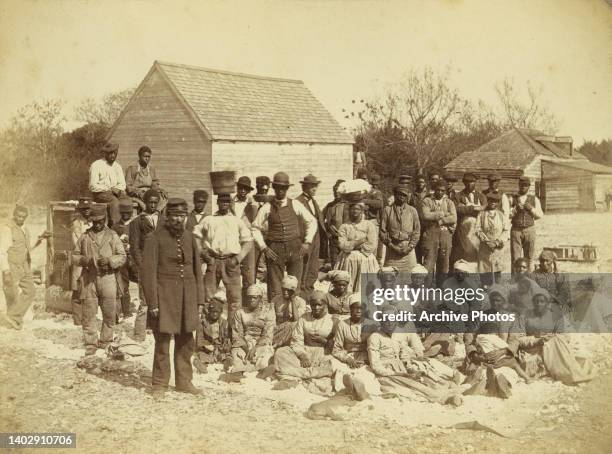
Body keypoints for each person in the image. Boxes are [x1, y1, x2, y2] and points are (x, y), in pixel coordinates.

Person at [141, 198, 205, 398]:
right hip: (165, 297)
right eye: (175, 215)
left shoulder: (190, 238)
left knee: (186, 341)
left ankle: (184, 382)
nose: (178, 219)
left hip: (188, 297)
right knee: (162, 342)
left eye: (182, 216)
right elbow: (147, 273)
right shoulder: (154, 238)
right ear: (167, 217)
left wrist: (200, 300)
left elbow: (197, 271)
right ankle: (159, 384)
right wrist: (153, 302)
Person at [367, 304, 463, 404]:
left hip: (401, 368)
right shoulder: (375, 337)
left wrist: (409, 367)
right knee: (414, 387)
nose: (389, 322)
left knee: (423, 378)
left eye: (392, 319)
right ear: (381, 321)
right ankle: (442, 398)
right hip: (386, 373)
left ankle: (449, 390)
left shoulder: (398, 334)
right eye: (386, 319)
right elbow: (375, 365)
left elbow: (404, 355)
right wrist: (396, 373)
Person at [251, 172, 317, 301]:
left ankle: (295, 314)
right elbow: (254, 228)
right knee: (275, 286)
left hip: (295, 247)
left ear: (287, 189)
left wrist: (307, 242)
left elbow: (312, 221)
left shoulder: (296, 204)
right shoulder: (267, 207)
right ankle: (276, 316)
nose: (280, 191)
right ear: (273, 188)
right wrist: (264, 248)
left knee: (295, 284)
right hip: (275, 249)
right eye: (277, 187)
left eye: (283, 188)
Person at [508, 289, 595, 384]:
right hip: (531, 349)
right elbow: (518, 339)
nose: (539, 304)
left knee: (556, 341)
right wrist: (536, 340)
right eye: (536, 301)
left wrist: (549, 338)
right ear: (532, 302)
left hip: (552, 347)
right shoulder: (524, 316)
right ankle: (565, 372)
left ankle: (569, 373)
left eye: (542, 301)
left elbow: (564, 336)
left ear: (547, 302)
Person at [193, 192, 253, 330]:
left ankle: (233, 331)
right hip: (213, 261)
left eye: (227, 202)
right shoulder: (209, 219)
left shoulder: (236, 221)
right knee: (209, 298)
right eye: (222, 202)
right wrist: (204, 253)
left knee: (235, 299)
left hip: (231, 263)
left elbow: (248, 241)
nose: (224, 204)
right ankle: (208, 331)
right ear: (218, 203)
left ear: (230, 204)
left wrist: (238, 258)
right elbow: (195, 235)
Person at [72, 203, 126, 354]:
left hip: (108, 278)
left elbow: (122, 256)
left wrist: (110, 260)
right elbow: (74, 256)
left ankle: (106, 340)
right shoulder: (85, 236)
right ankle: (90, 343)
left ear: (105, 219)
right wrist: (86, 260)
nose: (98, 224)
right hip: (89, 279)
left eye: (101, 221)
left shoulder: (113, 236)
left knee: (109, 311)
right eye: (95, 221)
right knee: (89, 312)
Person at [273, 291, 338, 395]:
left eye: (319, 305)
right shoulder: (304, 318)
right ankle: (310, 375)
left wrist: (325, 341)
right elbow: (296, 339)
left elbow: (337, 344)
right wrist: (302, 355)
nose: (316, 307)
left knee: (333, 364)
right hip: (304, 351)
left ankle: (295, 376)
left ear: (325, 305)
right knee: (281, 352)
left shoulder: (333, 320)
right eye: (313, 305)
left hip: (323, 353)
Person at [0, 205, 50, 330]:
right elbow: (2, 251)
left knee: (31, 291)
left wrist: (41, 238)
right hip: (12, 265)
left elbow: (28, 247)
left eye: (23, 217)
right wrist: (5, 270)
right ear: (14, 215)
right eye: (18, 216)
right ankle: (13, 320)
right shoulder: (8, 229)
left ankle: (13, 316)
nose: (20, 219)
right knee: (11, 293)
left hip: (25, 265)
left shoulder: (25, 229)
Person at [331, 296, 381, 399]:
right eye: (355, 308)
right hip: (348, 356)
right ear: (350, 309)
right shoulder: (342, 325)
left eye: (361, 308)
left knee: (368, 375)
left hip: (367, 357)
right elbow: (336, 349)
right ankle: (349, 389)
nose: (358, 311)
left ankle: (362, 392)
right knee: (341, 372)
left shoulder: (372, 324)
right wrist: (347, 359)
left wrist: (368, 359)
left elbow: (376, 346)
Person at [129, 189, 162, 340]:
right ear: (145, 203)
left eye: (156, 202)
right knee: (145, 299)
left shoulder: (163, 219)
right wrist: (141, 265)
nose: (153, 205)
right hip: (146, 265)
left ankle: (158, 328)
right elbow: (135, 246)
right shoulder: (137, 222)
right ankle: (139, 334)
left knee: (160, 297)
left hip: (162, 265)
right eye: (151, 202)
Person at [336, 198, 380, 294]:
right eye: (352, 209)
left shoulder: (369, 225)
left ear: (362, 211)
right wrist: (358, 242)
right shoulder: (344, 226)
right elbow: (342, 244)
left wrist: (351, 244)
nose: (354, 211)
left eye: (357, 209)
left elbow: (372, 244)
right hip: (348, 259)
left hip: (365, 259)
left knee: (364, 288)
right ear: (349, 210)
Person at [230, 285, 276, 372]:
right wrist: (247, 349)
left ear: (260, 298)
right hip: (244, 344)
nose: (252, 300)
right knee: (237, 361)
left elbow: (267, 335)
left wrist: (255, 348)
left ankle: (257, 369)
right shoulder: (240, 313)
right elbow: (237, 335)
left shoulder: (268, 313)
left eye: (254, 297)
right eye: (249, 297)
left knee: (263, 362)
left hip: (260, 344)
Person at [421, 180, 457, 287]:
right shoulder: (427, 201)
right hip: (431, 233)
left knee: (444, 263)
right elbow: (426, 215)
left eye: (443, 190)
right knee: (429, 262)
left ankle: (441, 288)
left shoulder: (449, 202)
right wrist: (442, 214)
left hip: (445, 234)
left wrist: (441, 220)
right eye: (438, 190)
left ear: (445, 191)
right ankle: (427, 288)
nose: (440, 192)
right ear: (434, 189)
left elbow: (454, 218)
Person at [296, 174, 326, 296]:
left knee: (313, 267)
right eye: (312, 186)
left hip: (316, 238)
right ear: (305, 187)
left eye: (315, 186)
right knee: (304, 265)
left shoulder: (314, 201)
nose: (314, 189)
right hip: (306, 238)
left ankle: (309, 292)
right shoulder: (298, 202)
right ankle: (301, 293)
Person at [380, 185, 420, 273]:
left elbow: (416, 232)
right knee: (389, 278)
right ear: (395, 195)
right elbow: (382, 232)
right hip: (392, 250)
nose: (402, 197)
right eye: (399, 194)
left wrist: (409, 247)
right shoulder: (387, 210)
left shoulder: (412, 211)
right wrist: (392, 246)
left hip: (408, 250)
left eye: (404, 195)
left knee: (409, 278)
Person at [452, 172, 487, 265]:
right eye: (467, 182)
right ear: (464, 183)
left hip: (477, 227)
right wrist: (474, 208)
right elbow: (456, 209)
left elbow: (484, 208)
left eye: (472, 182)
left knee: (477, 251)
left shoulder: (481, 196)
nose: (469, 184)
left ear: (475, 182)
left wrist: (466, 208)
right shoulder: (458, 196)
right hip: (463, 229)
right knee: (465, 252)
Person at [509, 176, 543, 272]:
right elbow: (507, 214)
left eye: (525, 185)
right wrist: (515, 209)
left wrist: (531, 209)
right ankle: (515, 281)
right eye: (521, 185)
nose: (523, 187)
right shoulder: (512, 199)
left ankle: (529, 281)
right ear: (518, 185)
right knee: (515, 258)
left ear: (529, 186)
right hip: (516, 230)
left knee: (529, 257)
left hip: (529, 229)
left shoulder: (534, 199)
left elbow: (540, 215)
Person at [89, 142, 126, 226]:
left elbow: (123, 184)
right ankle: (115, 227)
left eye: (114, 153)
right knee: (114, 202)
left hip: (116, 193)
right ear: (105, 153)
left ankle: (126, 228)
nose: (113, 155)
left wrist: (117, 189)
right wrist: (109, 189)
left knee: (128, 202)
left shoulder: (117, 166)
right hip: (100, 194)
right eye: (110, 153)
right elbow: (92, 186)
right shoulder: (96, 165)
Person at [474, 192, 508, 286]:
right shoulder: (481, 214)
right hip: (485, 244)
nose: (493, 203)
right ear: (487, 201)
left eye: (495, 201)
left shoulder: (501, 215)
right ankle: (485, 285)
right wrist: (486, 241)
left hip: (497, 245)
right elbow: (477, 229)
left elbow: (506, 230)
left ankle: (497, 285)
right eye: (491, 201)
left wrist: (497, 242)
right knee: (485, 265)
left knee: (497, 265)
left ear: (498, 203)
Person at [233, 176, 258, 300]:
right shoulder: (230, 203)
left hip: (248, 242)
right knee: (234, 273)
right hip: (233, 241)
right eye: (240, 187)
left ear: (248, 190)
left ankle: (248, 303)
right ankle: (236, 302)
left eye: (245, 188)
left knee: (249, 273)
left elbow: (257, 223)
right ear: (237, 188)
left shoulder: (253, 204)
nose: (242, 190)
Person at [70, 197, 93, 325]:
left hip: (90, 259)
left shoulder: (92, 222)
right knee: (77, 287)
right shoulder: (77, 223)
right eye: (84, 209)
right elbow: (78, 242)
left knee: (88, 288)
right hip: (80, 258)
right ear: (80, 210)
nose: (87, 211)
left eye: (88, 208)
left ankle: (87, 316)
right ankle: (77, 319)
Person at [111, 198, 135, 319]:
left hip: (135, 259)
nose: (126, 215)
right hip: (122, 260)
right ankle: (125, 311)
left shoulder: (136, 225)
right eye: (124, 213)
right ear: (120, 213)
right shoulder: (115, 227)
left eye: (128, 213)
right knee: (123, 284)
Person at [193, 297, 231, 373]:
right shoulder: (203, 323)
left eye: (217, 312)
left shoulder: (224, 323)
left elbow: (226, 339)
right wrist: (206, 346)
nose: (215, 314)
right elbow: (199, 341)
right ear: (209, 311)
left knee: (228, 357)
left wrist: (223, 348)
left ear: (220, 312)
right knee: (200, 356)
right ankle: (202, 366)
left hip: (220, 349)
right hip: (207, 349)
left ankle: (226, 366)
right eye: (213, 312)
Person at [271, 274, 308, 348]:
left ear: (294, 290)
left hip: (291, 333)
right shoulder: (276, 300)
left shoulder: (301, 302)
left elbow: (296, 319)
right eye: (283, 289)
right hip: (277, 330)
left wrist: (293, 300)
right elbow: (270, 318)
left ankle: (278, 345)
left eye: (288, 290)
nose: (285, 292)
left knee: (294, 325)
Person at [124, 145, 160, 211]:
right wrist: (138, 192)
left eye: (149, 157)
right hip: (137, 194)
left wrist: (155, 189)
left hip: (149, 193)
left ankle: (158, 217)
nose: (147, 159)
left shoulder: (151, 168)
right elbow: (128, 185)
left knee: (162, 199)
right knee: (147, 204)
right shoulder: (132, 168)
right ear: (140, 156)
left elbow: (155, 182)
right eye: (145, 156)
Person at [322, 179, 348, 268]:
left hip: (345, 240)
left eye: (338, 191)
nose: (336, 193)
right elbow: (320, 219)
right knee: (335, 264)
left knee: (345, 265)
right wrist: (327, 231)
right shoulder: (329, 205)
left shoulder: (348, 205)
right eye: (334, 190)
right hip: (333, 240)